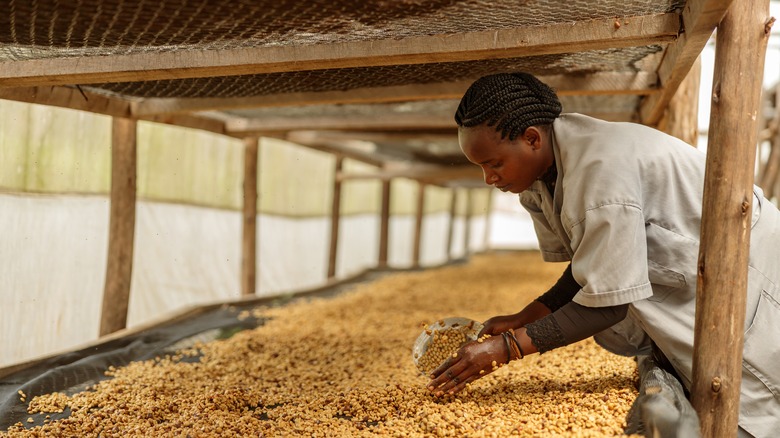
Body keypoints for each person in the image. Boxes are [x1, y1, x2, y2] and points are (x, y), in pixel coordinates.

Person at [427, 72, 780, 437]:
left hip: (752, 278)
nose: (488, 178)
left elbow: (607, 304)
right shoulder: (544, 174)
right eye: (481, 167)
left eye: (494, 163)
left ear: (531, 138)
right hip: (699, 287)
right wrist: (527, 315)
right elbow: (592, 262)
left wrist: (508, 347)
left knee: (754, 403)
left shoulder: (600, 172)